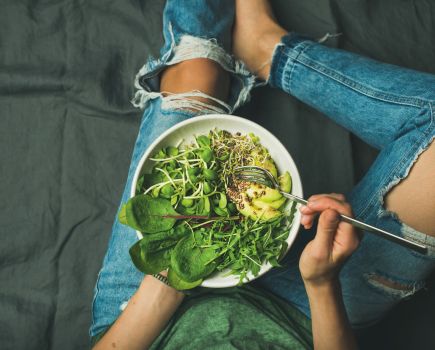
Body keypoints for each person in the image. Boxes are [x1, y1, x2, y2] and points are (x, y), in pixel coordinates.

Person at [90, 0, 435, 348]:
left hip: (147, 322)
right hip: (302, 315)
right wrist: (321, 283)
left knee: (197, 69)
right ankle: (270, 50)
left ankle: (260, 47)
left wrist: (164, 284)